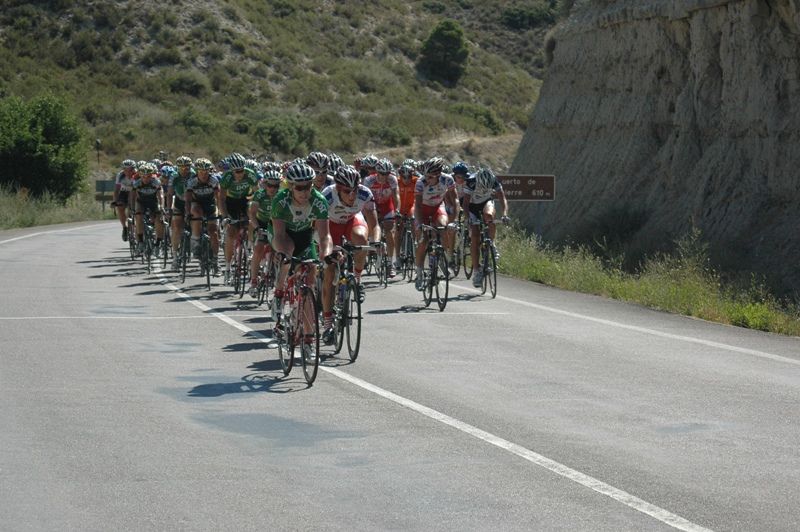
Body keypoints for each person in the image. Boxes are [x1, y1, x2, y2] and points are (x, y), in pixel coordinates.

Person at [270, 162, 334, 338]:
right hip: (283, 234)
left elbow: (324, 237)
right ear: (291, 186)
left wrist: (326, 256)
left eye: (308, 186)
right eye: (300, 188)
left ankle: (308, 336)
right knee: (287, 255)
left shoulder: (319, 200)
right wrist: (283, 254)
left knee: (310, 281)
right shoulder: (280, 201)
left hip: (305, 235)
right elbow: (280, 235)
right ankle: (279, 292)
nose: (305, 192)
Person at [320, 165, 379, 344]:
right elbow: (318, 228)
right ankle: (328, 324)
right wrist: (328, 251)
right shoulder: (326, 196)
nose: (352, 195)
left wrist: (376, 242)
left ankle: (357, 279)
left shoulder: (365, 194)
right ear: (338, 189)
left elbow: (374, 224)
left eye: (355, 190)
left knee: (362, 240)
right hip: (330, 226)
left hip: (351, 221)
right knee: (329, 271)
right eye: (347, 191)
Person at [413, 156, 459, 290]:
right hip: (423, 209)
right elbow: (418, 206)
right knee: (423, 240)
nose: (427, 179)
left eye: (430, 177)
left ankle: (443, 259)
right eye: (425, 176)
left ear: (438, 175)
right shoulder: (421, 183)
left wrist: (454, 220)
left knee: (444, 228)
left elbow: (455, 200)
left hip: (438, 207)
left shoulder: (448, 180)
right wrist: (420, 224)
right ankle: (420, 272)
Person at [464, 168, 509, 287]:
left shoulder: (494, 180)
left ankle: (492, 244)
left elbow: (502, 198)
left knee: (489, 217)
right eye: (483, 187)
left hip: (486, 203)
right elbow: (465, 203)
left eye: (487, 188)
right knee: (475, 236)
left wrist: (504, 214)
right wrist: (468, 218)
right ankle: (477, 271)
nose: (484, 189)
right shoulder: (471, 181)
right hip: (472, 207)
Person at [218, 152, 258, 284]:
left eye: (241, 171)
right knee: (231, 232)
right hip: (230, 202)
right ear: (231, 170)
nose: (240, 174)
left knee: (252, 218)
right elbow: (222, 199)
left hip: (245, 200)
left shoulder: (250, 174)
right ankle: (228, 267)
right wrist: (224, 216)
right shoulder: (227, 177)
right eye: (237, 171)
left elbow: (257, 194)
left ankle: (251, 246)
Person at [247, 170, 282, 297]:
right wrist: (257, 228)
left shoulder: (282, 195)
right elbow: (252, 213)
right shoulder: (259, 195)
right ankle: (254, 282)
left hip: (276, 224)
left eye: (276, 186)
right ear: (265, 184)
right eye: (270, 185)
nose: (273, 188)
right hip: (262, 222)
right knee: (258, 248)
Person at [363, 158, 400, 277]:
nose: (384, 176)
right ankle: (369, 251)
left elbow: (396, 196)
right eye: (382, 173)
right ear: (376, 172)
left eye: (387, 173)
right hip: (372, 206)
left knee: (390, 231)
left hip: (387, 207)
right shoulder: (369, 180)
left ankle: (390, 263)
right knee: (370, 229)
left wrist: (397, 210)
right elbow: (365, 199)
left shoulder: (392, 179)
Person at [184, 158, 222, 275]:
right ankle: (195, 239)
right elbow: (188, 200)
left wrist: (220, 212)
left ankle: (215, 260)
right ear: (197, 171)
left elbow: (218, 198)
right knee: (196, 213)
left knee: (214, 232)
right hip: (197, 203)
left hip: (210, 204)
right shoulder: (192, 181)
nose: (204, 175)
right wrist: (187, 214)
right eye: (201, 172)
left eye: (206, 172)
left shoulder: (214, 180)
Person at [167, 156, 195, 269]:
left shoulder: (194, 175)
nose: (184, 170)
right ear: (177, 168)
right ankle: (174, 256)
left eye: (186, 168)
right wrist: (169, 209)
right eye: (181, 168)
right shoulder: (174, 176)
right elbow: (169, 194)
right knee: (177, 228)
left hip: (192, 202)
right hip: (179, 202)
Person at [131, 162, 165, 254]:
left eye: (148, 176)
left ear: (152, 175)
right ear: (140, 176)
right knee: (138, 216)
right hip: (141, 202)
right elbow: (133, 197)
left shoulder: (156, 182)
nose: (146, 179)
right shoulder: (137, 183)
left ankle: (158, 243)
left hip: (153, 201)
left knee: (159, 219)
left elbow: (160, 196)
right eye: (143, 176)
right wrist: (132, 208)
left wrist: (161, 207)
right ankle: (141, 242)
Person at [113, 159, 136, 241]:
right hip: (124, 192)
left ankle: (133, 226)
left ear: (134, 169)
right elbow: (116, 190)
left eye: (130, 170)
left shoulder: (137, 175)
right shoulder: (120, 175)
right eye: (125, 170)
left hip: (134, 192)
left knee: (131, 208)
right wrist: (115, 201)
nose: (128, 172)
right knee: (120, 207)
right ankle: (124, 227)